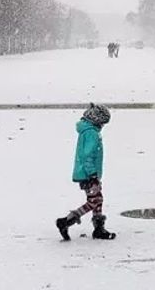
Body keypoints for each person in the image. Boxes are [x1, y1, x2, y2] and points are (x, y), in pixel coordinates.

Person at [56, 103, 116, 241]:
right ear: (97, 120)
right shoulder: (91, 133)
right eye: (103, 122)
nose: (103, 126)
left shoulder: (88, 131)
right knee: (94, 201)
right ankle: (66, 221)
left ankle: (98, 228)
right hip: (88, 174)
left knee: (97, 199)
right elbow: (87, 156)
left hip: (88, 173)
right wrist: (92, 174)